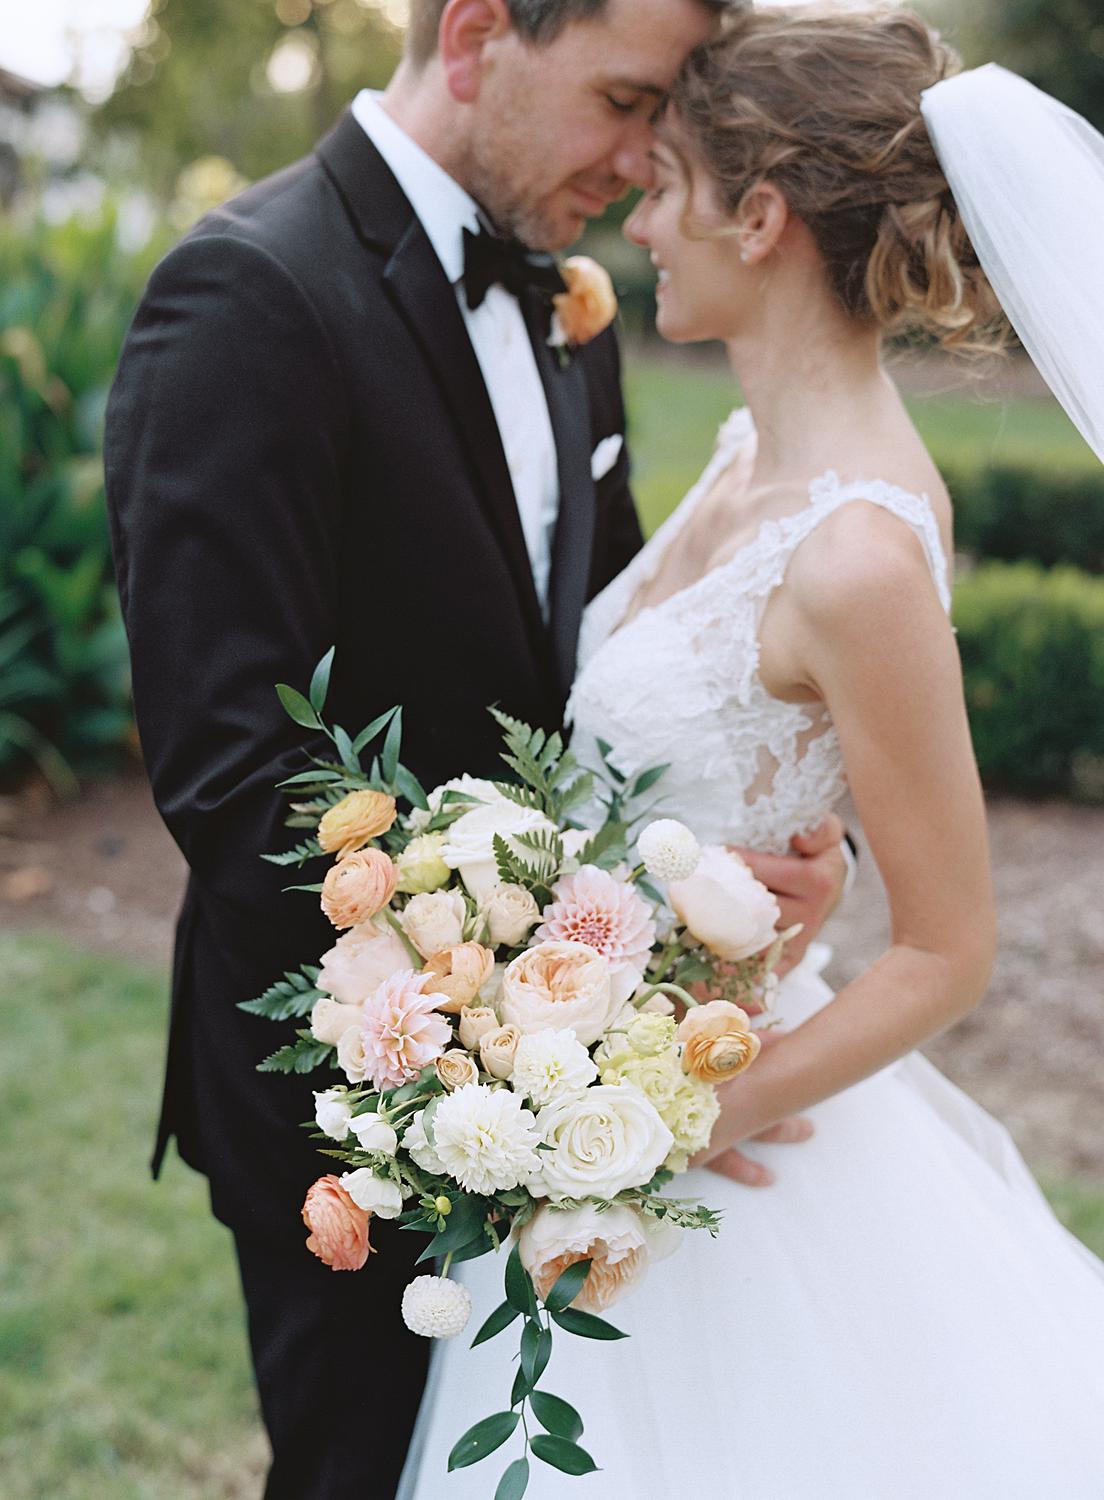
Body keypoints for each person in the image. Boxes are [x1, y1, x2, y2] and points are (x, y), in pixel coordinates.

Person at [103, 1, 848, 1494]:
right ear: (474, 35)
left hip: (581, 1072)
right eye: (626, 100)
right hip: (351, 1100)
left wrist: (723, 883)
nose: (649, 165)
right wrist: (511, 1037)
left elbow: (608, 663)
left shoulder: (571, 300)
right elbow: (236, 771)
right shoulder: (247, 292)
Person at [396, 7, 1104, 1498]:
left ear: (762, 214)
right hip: (619, 1075)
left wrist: (673, 1117)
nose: (642, 220)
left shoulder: (858, 555)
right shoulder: (743, 460)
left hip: (731, 1153)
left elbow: (952, 946)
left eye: (669, 187)